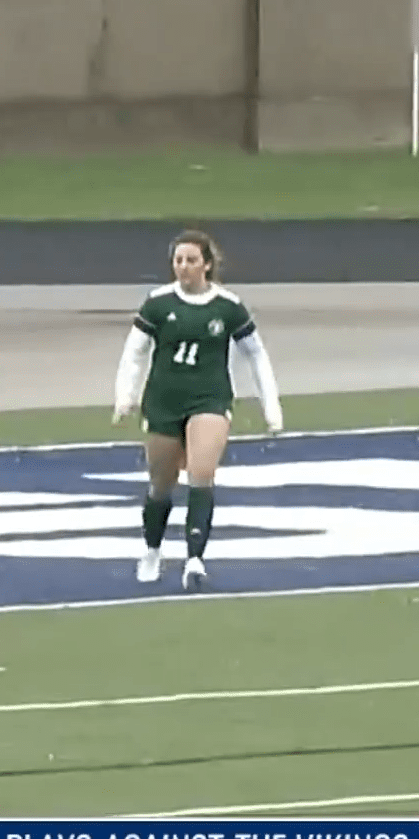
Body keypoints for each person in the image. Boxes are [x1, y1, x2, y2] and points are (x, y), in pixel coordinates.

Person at [112, 230, 284, 591]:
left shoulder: (227, 307)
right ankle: (152, 549)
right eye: (178, 261)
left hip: (209, 398)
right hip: (163, 400)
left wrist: (271, 405)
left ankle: (194, 558)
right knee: (161, 484)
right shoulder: (158, 304)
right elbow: (134, 351)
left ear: (206, 264)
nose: (183, 267)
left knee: (201, 475)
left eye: (191, 260)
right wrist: (124, 395)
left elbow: (256, 354)